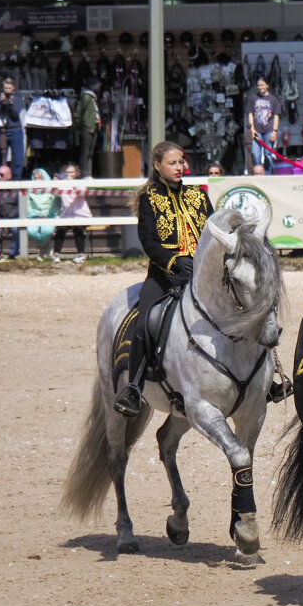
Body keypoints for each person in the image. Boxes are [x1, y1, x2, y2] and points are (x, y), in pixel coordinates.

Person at [114, 141, 214, 418]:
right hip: (165, 274)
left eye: (181, 161)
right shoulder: (149, 198)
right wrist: (173, 261)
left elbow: (213, 232)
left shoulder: (198, 195)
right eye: (173, 162)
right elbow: (148, 240)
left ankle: (263, 381)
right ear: (157, 166)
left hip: (203, 274)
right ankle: (133, 387)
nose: (180, 167)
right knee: (145, 323)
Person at [52, 162, 90, 263]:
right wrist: (54, 183)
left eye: (72, 172)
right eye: (67, 172)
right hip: (66, 215)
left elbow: (81, 193)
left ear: (76, 173)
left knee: (77, 229)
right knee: (60, 230)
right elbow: (54, 193)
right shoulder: (61, 185)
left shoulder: (81, 183)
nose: (69, 174)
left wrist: (72, 183)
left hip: (81, 215)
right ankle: (56, 254)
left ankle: (81, 254)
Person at [246, 76, 282, 174]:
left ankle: (268, 173)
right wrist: (252, 128)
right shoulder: (253, 98)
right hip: (257, 130)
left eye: (262, 85)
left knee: (268, 154)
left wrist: (274, 131)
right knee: (255, 153)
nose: (260, 87)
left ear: (267, 86)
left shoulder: (273, 100)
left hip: (269, 130)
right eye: (258, 85)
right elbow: (250, 114)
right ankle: (258, 172)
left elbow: (276, 116)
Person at [0, 77, 25, 179]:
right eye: (5, 88)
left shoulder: (18, 100)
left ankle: (16, 179)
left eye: (9, 88)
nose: (7, 90)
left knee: (18, 157)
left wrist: (10, 105)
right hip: (1, 131)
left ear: (13, 88)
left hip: (15, 130)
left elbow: (16, 117)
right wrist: (1, 103)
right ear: (2, 88)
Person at [26, 168, 60, 260]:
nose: (37, 179)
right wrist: (33, 215)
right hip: (33, 217)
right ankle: (46, 247)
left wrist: (48, 215)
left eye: (40, 177)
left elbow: (54, 205)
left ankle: (42, 249)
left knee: (47, 231)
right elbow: (27, 206)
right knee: (31, 232)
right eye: (35, 177)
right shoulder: (29, 191)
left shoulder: (51, 190)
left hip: (49, 216)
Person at [75, 77, 100, 178]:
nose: (99, 87)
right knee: (85, 152)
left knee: (90, 152)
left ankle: (88, 173)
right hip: (87, 127)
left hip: (94, 126)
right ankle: (83, 174)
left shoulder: (93, 97)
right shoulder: (86, 97)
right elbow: (79, 113)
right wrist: (80, 126)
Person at [0, 164, 19, 261]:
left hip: (13, 217)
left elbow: (20, 206)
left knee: (16, 230)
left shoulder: (16, 189)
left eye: (1, 175)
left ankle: (13, 254)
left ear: (8, 176)